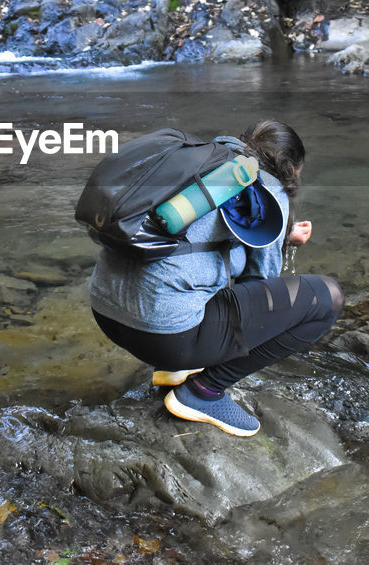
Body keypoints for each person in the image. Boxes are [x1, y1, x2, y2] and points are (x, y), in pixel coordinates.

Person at [88, 119, 343, 437]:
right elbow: (261, 289)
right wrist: (273, 242)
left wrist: (281, 236)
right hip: (164, 336)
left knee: (179, 273)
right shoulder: (268, 188)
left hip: (105, 312)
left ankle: (173, 371)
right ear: (291, 169)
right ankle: (204, 391)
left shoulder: (193, 162)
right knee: (326, 298)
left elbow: (188, 235)